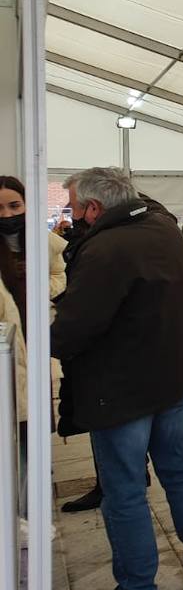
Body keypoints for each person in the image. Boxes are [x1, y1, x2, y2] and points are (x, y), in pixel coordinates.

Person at [52, 168, 183, 590]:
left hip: (122, 388)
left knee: (124, 489)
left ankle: (137, 588)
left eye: (74, 207)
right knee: (180, 470)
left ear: (94, 208)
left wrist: (45, 336)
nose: (72, 216)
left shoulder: (107, 248)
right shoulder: (162, 227)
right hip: (174, 376)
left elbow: (75, 328)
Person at [0, 177, 67, 518]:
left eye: (14, 205)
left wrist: (40, 286)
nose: (8, 213)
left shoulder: (44, 243)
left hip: (36, 338)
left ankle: (31, 496)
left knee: (32, 421)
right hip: (5, 344)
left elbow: (60, 276)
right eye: (1, 207)